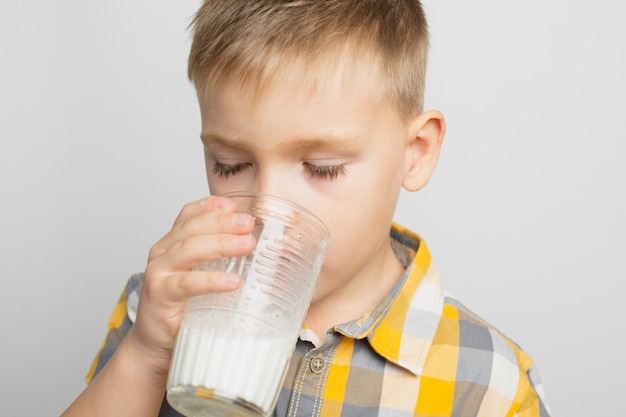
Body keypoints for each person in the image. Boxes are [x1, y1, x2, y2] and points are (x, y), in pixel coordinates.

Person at [62, 1, 552, 416]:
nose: (268, 213)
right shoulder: (162, 309)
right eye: (231, 165)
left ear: (416, 151)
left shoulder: (488, 382)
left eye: (321, 168)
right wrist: (146, 354)